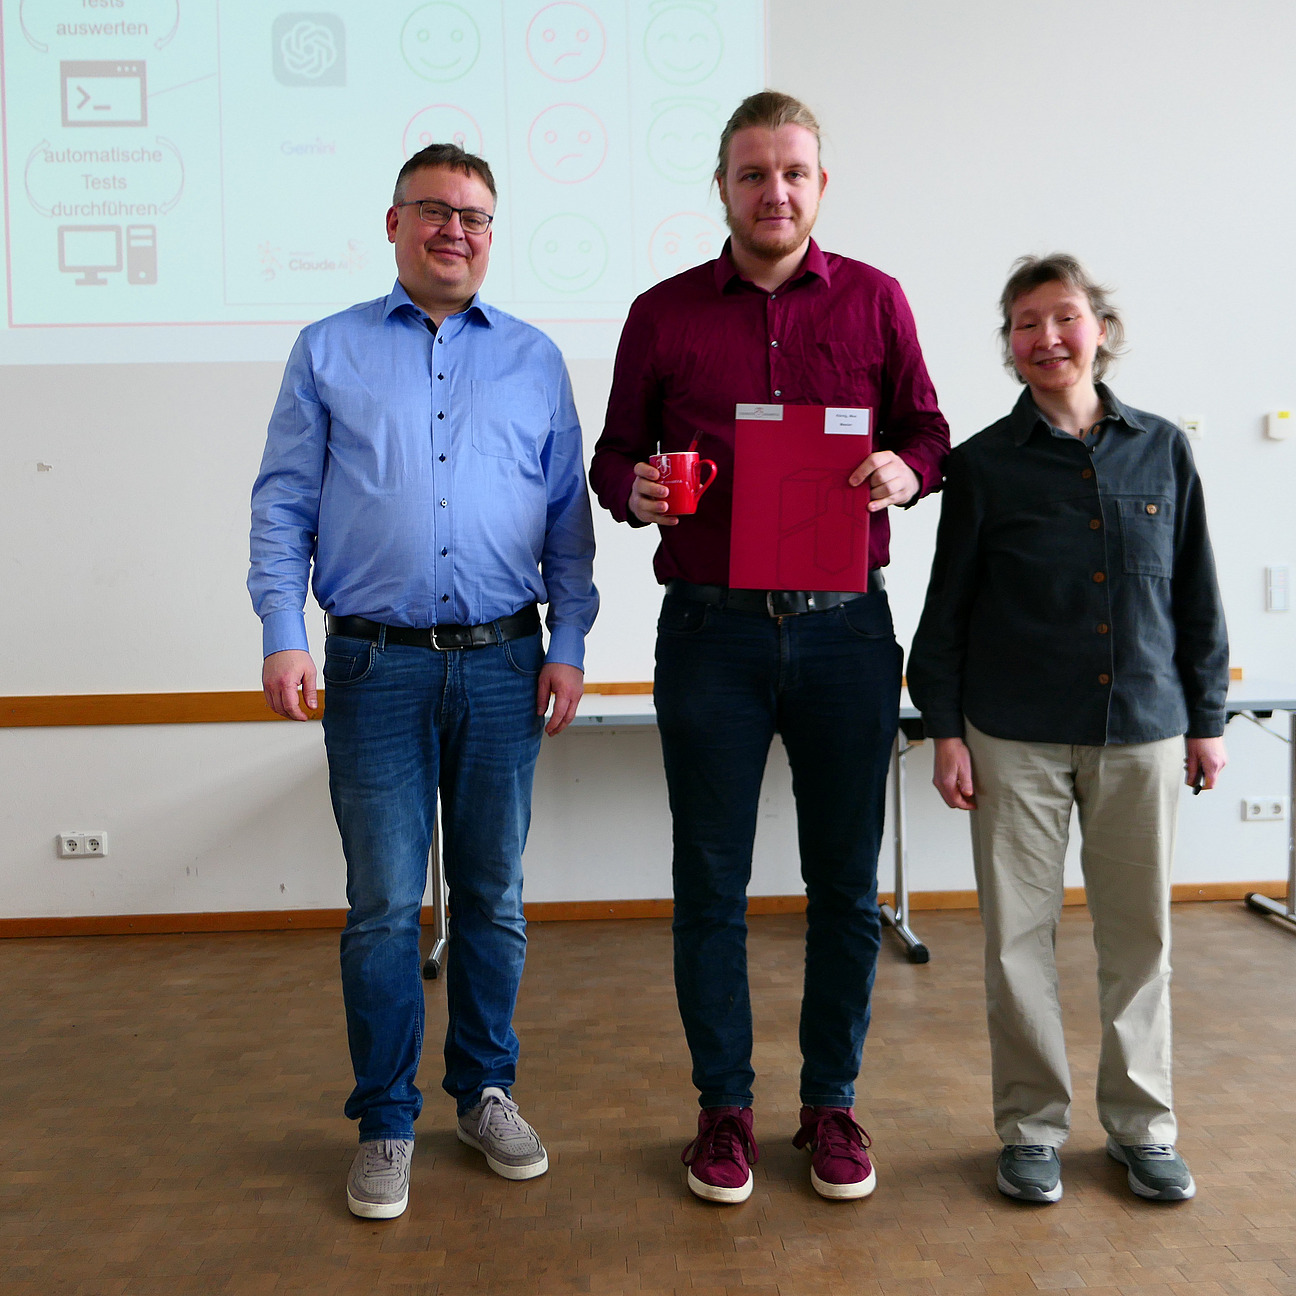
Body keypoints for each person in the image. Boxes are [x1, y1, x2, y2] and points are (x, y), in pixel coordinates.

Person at [589, 91, 949, 1204]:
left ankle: (831, 1105)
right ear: (724, 188)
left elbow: (929, 432)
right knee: (711, 882)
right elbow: (612, 459)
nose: (774, 191)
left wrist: (908, 472)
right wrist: (638, 491)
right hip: (712, 635)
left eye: (793, 171)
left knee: (845, 887)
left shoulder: (879, 302)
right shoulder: (661, 314)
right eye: (753, 174)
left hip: (848, 633)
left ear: (820, 185)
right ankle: (724, 1112)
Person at [248, 142, 598, 1219]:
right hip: (370, 665)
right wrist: (280, 627)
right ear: (392, 224)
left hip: (503, 663)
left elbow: (567, 524)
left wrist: (570, 639)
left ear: (494, 236)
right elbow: (282, 505)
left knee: (491, 898)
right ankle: (387, 1120)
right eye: (435, 211)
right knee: (385, 905)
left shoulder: (536, 358)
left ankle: (486, 1089)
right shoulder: (328, 350)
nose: (457, 230)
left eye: (477, 216)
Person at [907, 253, 1228, 1204]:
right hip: (1014, 734)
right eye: (1025, 325)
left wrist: (1207, 720)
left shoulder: (1164, 449)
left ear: (1100, 328)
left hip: (1144, 730)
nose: (1047, 338)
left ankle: (1143, 1126)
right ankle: (1033, 1131)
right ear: (1009, 348)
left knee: (1141, 942)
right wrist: (948, 730)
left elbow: (1199, 595)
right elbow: (947, 609)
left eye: (1065, 317)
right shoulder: (979, 465)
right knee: (1017, 944)